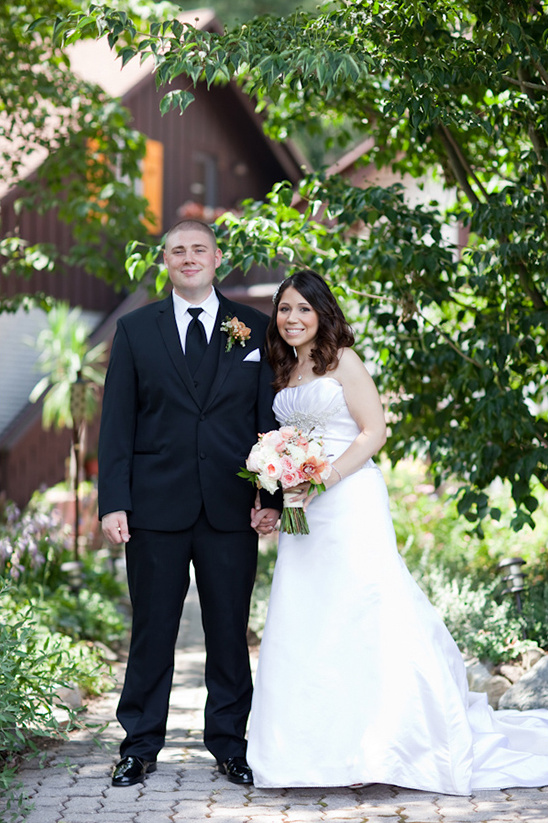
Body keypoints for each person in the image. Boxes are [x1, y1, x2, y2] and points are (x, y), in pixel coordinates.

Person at [246, 269, 548, 795]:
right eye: (285, 309)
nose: (292, 319)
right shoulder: (284, 368)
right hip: (304, 509)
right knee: (307, 618)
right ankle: (310, 753)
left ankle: (387, 744)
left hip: (349, 500)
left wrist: (326, 477)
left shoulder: (342, 361)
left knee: (365, 607)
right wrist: (276, 484)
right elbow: (282, 440)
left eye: (303, 309)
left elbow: (374, 430)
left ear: (322, 313)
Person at [98, 219, 281, 788]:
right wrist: (113, 502)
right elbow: (116, 425)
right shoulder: (134, 330)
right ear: (166, 260)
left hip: (231, 508)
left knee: (230, 630)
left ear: (217, 257)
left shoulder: (254, 328)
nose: (188, 257)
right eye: (178, 250)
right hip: (155, 508)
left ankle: (229, 745)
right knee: (152, 629)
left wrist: (269, 497)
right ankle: (139, 745)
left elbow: (268, 422)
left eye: (198, 248)